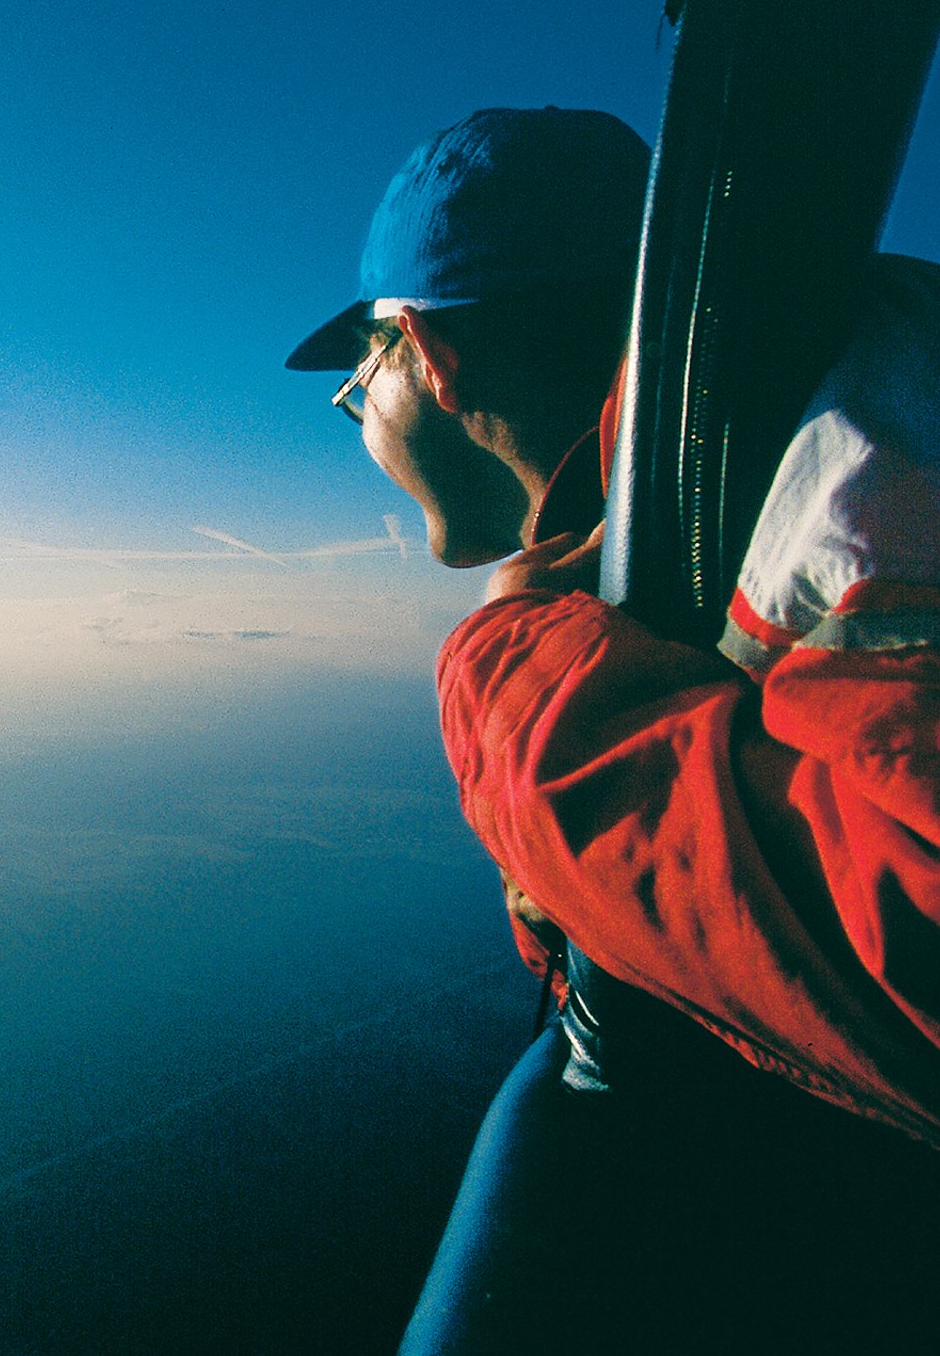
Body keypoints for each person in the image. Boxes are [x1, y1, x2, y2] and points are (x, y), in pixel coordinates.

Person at [285, 107, 940, 1352]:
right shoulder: (717, 483)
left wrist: (517, 683)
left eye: (360, 375)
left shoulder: (860, 447)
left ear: (432, 356)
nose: (358, 411)